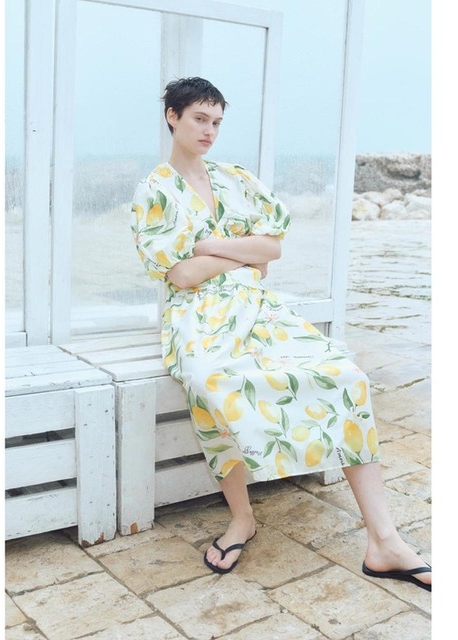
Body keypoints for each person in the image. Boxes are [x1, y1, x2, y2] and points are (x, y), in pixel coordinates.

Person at [130, 77, 431, 590]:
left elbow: (271, 251)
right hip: (196, 314)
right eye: (200, 119)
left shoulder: (235, 179)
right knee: (209, 379)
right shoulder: (154, 190)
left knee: (345, 375)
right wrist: (241, 251)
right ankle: (242, 518)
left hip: (257, 306)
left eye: (217, 122)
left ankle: (384, 541)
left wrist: (208, 246)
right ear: (172, 116)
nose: (209, 131)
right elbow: (180, 275)